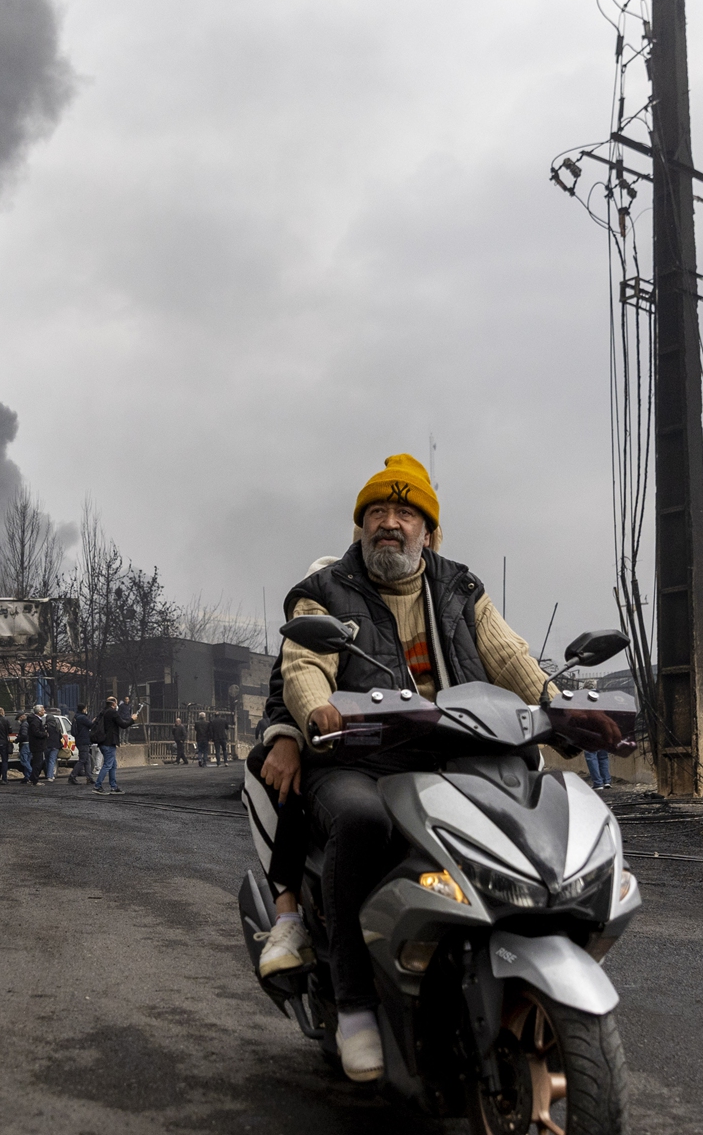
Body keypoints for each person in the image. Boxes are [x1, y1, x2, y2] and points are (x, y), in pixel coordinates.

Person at [250, 454, 553, 1083]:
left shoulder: (460, 588)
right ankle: (355, 1005)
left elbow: (507, 656)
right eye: (378, 512)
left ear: (429, 532)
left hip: (455, 750)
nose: (391, 523)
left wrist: (559, 705)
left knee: (525, 796)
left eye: (405, 513)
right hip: (357, 756)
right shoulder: (324, 590)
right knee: (362, 820)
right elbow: (303, 665)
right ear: (361, 526)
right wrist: (317, 710)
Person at [92, 695, 131, 794]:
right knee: (108, 765)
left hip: (102, 742)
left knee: (113, 765)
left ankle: (113, 786)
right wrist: (132, 719)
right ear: (113, 703)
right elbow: (123, 724)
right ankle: (97, 786)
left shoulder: (102, 712)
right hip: (109, 742)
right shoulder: (113, 712)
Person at [68, 703, 97, 784]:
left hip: (80, 740)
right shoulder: (82, 717)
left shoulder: (76, 717)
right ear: (83, 709)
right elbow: (91, 725)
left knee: (87, 760)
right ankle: (72, 776)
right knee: (83, 760)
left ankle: (89, 777)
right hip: (83, 741)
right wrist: (94, 721)